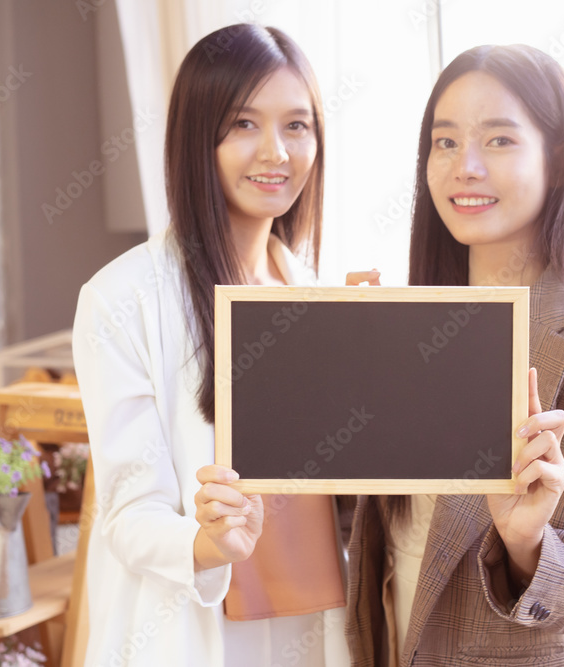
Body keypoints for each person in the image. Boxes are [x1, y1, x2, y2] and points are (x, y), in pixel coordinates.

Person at [344, 44, 564, 665]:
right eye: (446, 142)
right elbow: (379, 528)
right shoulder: (409, 329)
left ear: (557, 161)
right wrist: (344, 367)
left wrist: (523, 536)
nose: (465, 167)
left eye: (500, 141)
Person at [72, 24, 349, 667]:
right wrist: (208, 542)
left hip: (310, 621)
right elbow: (128, 514)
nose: (275, 152)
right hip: (195, 628)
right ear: (199, 138)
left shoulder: (313, 293)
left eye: (297, 126)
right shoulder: (123, 297)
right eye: (244, 124)